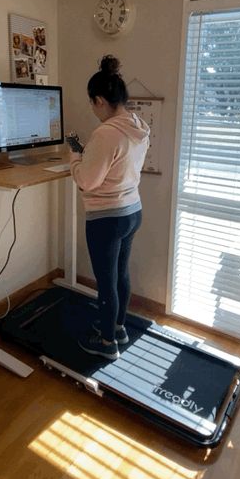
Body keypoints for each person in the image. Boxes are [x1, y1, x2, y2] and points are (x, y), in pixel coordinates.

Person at [68, 55, 150, 360]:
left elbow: (86, 182)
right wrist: (81, 151)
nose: (92, 110)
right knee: (120, 275)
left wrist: (73, 158)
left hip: (106, 217)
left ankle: (105, 344)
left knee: (106, 281)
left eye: (92, 103)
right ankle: (117, 327)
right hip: (131, 210)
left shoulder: (105, 132)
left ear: (100, 100)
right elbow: (114, 162)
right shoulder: (137, 125)